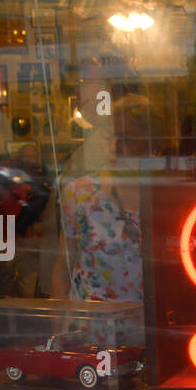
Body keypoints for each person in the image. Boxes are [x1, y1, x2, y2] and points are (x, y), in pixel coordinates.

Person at [50, 62, 145, 304]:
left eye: (88, 83)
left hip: (141, 328)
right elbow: (63, 266)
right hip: (88, 327)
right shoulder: (81, 186)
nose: (81, 92)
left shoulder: (161, 194)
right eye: (111, 137)